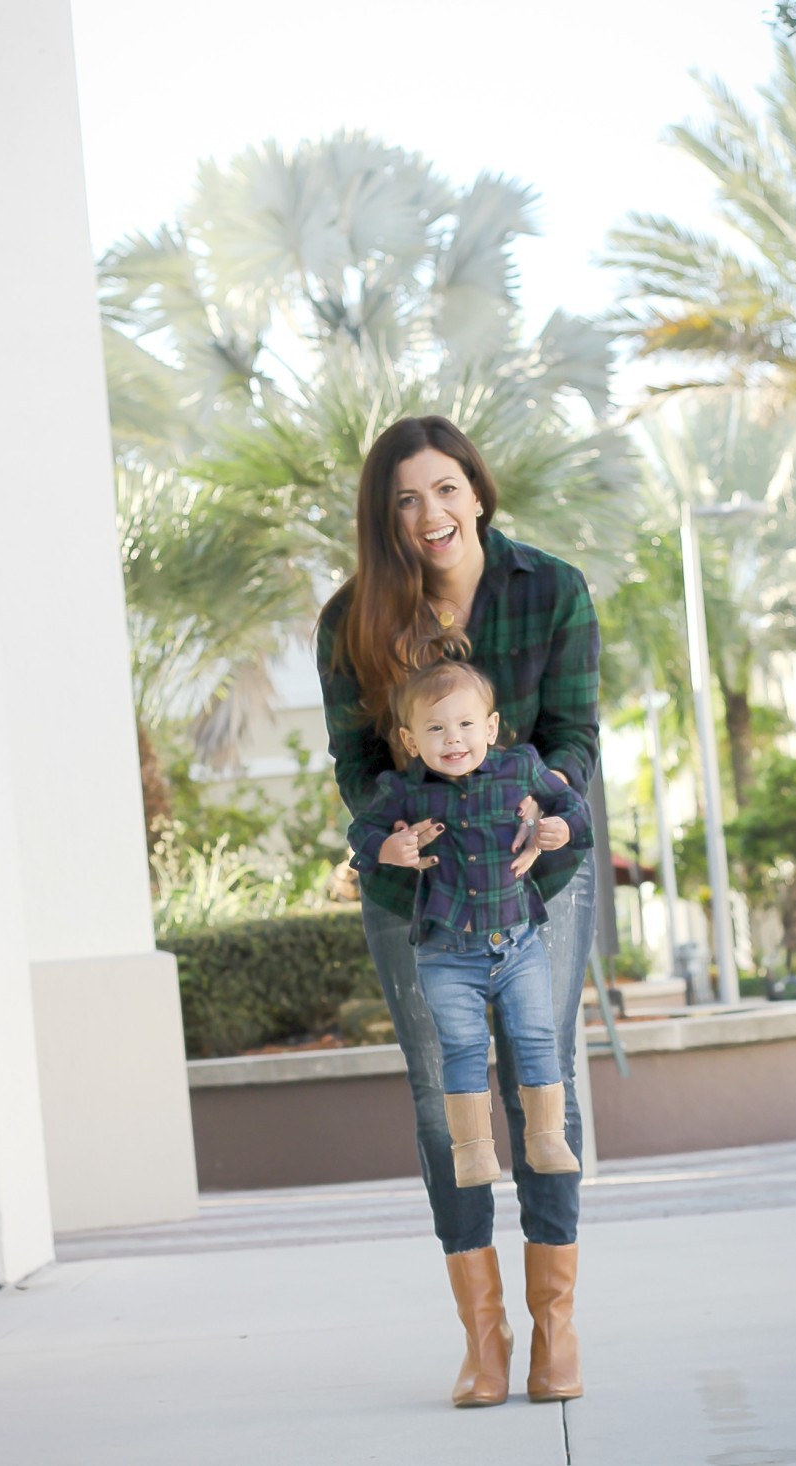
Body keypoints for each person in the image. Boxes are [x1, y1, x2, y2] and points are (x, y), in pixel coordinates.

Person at [316, 414, 599, 1409]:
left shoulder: (551, 589)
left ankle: (556, 1327)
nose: (427, 512)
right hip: (420, 889)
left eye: (443, 487)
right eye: (403, 497)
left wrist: (542, 803)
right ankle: (485, 1336)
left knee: (538, 1080)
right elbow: (356, 771)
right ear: (384, 517)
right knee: (445, 1101)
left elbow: (575, 733)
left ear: (477, 490)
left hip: (538, 872)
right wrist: (389, 835)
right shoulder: (353, 619)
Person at [347, 659, 593, 1189]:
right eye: (435, 729)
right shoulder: (404, 792)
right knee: (460, 1048)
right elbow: (360, 832)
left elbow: (573, 805)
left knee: (535, 1036)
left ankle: (546, 1136)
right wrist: (388, 847)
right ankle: (473, 1149)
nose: (452, 739)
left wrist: (558, 828)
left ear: (491, 728)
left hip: (518, 944)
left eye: (464, 725)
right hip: (445, 951)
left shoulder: (522, 769)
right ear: (411, 741)